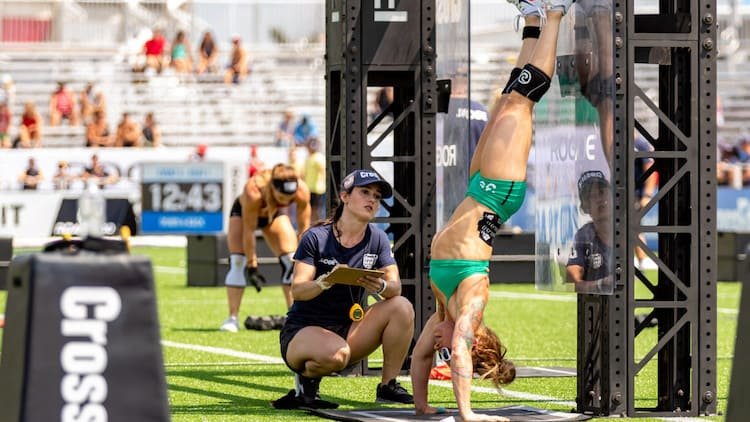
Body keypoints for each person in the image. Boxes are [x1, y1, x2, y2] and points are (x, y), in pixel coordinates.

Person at [410, 1, 573, 420]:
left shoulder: (439, 313)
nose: (442, 345)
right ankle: (556, 13)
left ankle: (534, 21)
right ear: (475, 340)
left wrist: (424, 406)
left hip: (478, 187)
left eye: (444, 346)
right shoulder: (471, 305)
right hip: (499, 192)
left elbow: (420, 360)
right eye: (452, 346)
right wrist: (468, 415)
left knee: (504, 102)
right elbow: (459, 353)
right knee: (521, 104)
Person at [273, 170, 415, 409]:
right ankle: (305, 385)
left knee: (402, 306)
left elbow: (395, 287)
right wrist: (324, 282)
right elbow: (297, 290)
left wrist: (380, 285)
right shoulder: (315, 237)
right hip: (303, 330)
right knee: (337, 356)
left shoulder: (377, 238)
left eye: (377, 197)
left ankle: (388, 385)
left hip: (349, 329)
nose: (373, 200)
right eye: (365, 192)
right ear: (345, 197)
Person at [219, 164, 312, 332]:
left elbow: (304, 228)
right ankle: (232, 318)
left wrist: (304, 260)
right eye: (282, 197)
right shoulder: (253, 191)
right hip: (244, 214)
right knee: (238, 262)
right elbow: (249, 231)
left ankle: (296, 317)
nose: (285, 201)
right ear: (272, 188)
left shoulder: (301, 190)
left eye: (289, 198)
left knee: (291, 261)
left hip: (273, 214)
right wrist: (252, 264)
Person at [565, 170, 612, 293]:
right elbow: (573, 278)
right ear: (585, 207)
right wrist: (601, 284)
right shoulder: (584, 235)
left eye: (602, 192)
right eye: (592, 196)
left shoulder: (625, 229)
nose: (599, 200)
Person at [303, 138, 326, 222]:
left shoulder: (317, 158)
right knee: (314, 210)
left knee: (316, 210)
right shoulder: (312, 158)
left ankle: (317, 226)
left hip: (317, 189)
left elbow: (323, 172)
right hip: (312, 188)